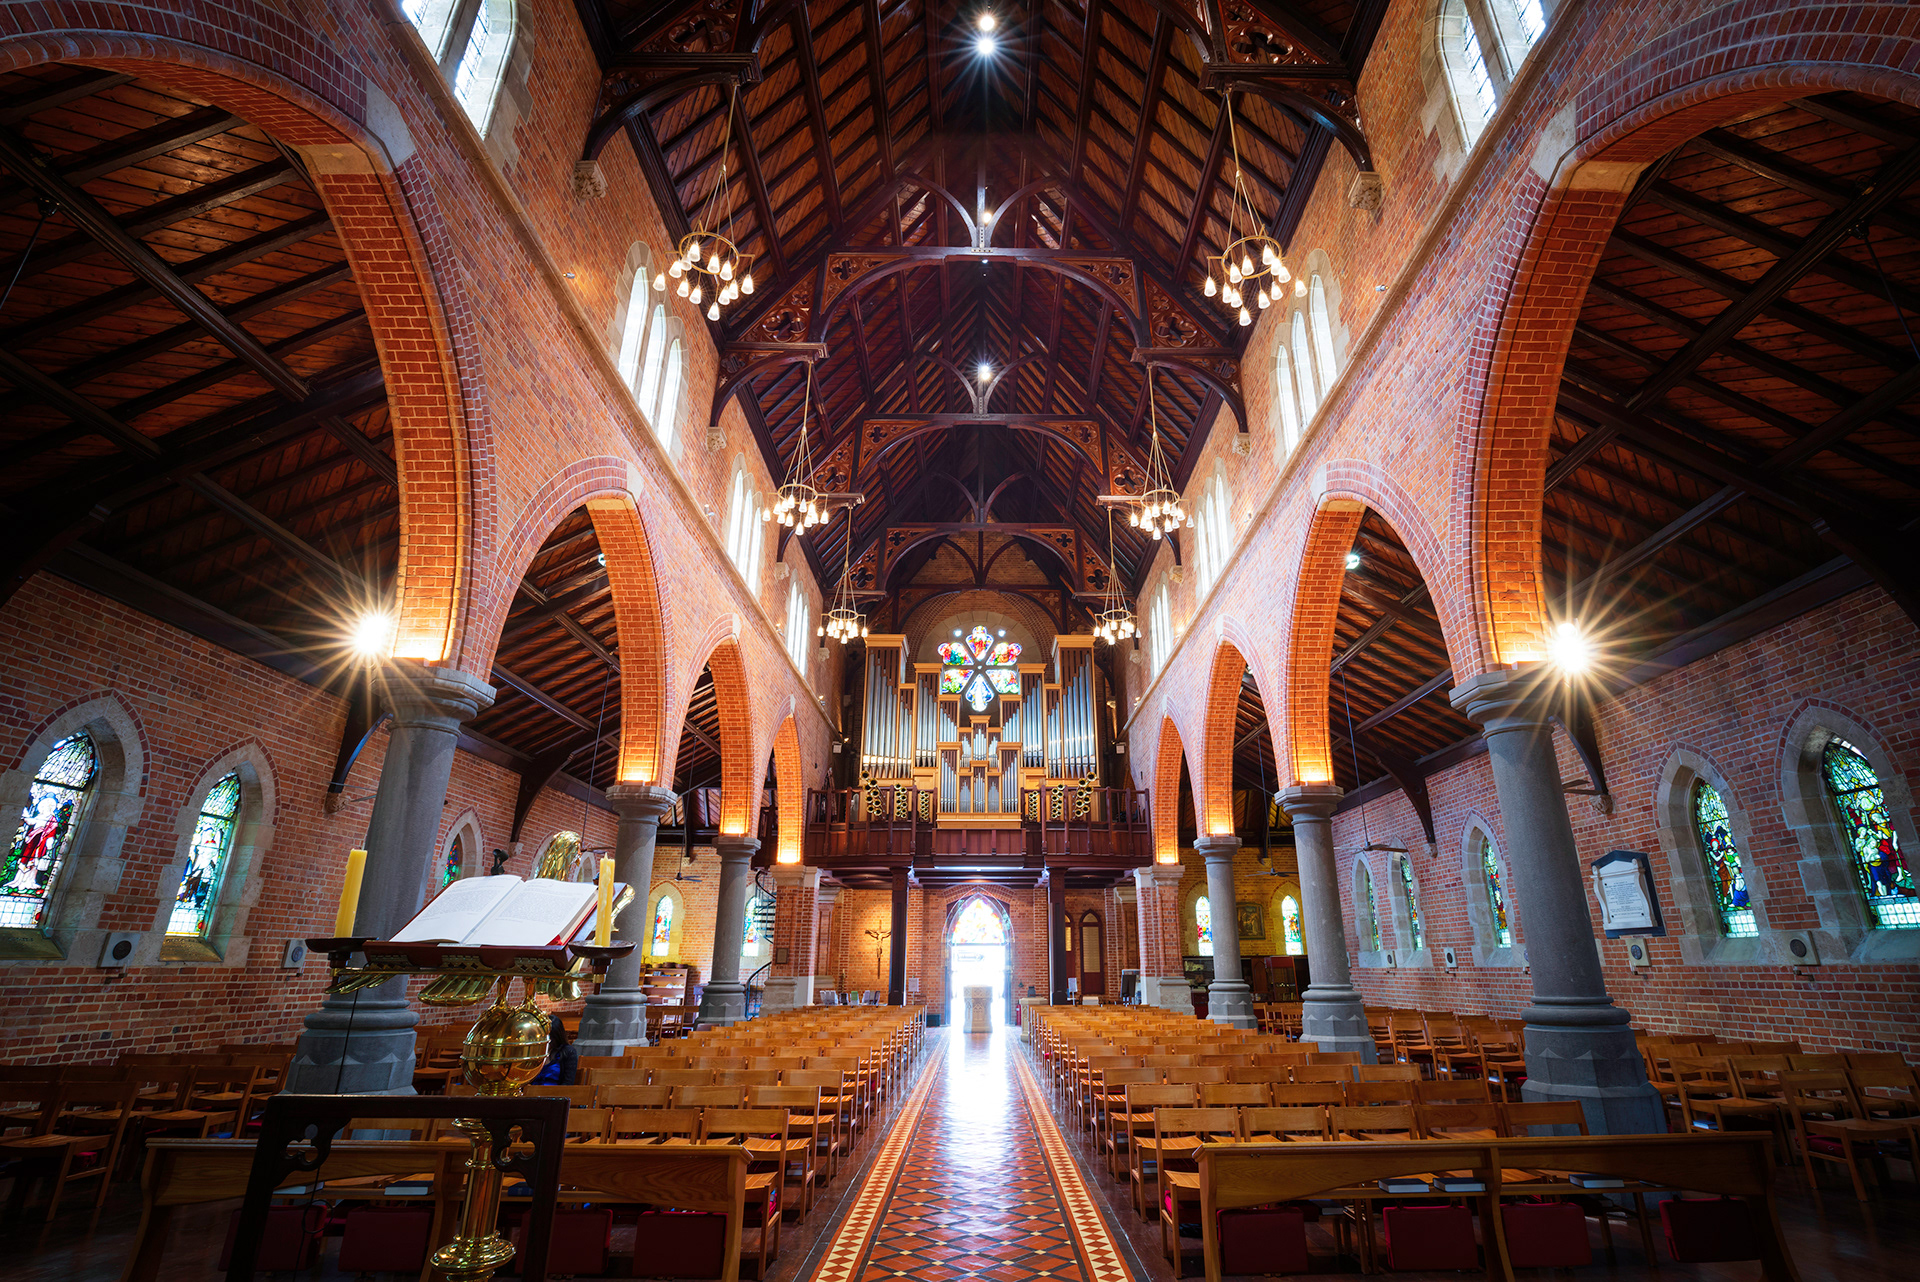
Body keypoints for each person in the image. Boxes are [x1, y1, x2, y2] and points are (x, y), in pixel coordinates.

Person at [531, 1014, 577, 1086]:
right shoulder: (534, 1050)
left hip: (555, 1094)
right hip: (531, 1093)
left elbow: (568, 1083)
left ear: (556, 1037)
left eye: (549, 1037)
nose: (546, 1040)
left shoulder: (568, 1052)